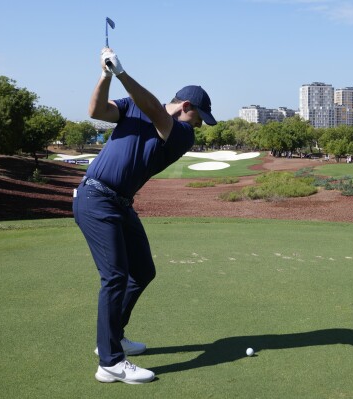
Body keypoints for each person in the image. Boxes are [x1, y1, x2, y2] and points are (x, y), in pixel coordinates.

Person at [72, 47, 217, 384]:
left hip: (120, 203)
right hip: (95, 197)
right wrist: (106, 75)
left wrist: (122, 72)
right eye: (199, 117)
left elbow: (154, 110)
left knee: (142, 271)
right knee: (115, 277)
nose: (199, 125)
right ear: (187, 107)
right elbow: (96, 109)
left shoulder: (181, 134)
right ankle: (110, 362)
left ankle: (113, 337)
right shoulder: (132, 106)